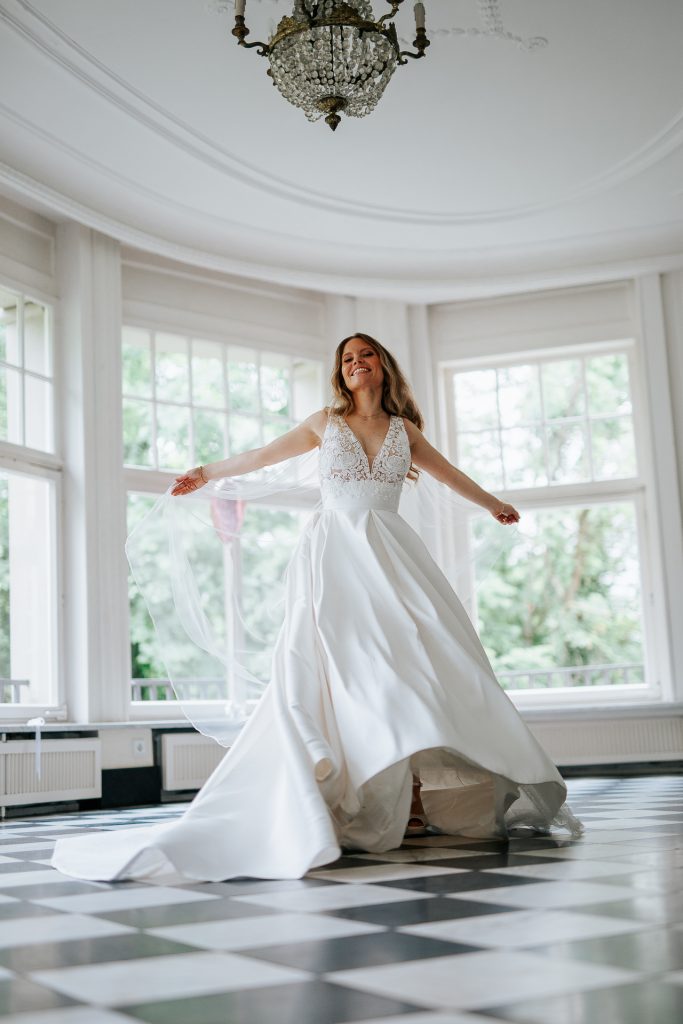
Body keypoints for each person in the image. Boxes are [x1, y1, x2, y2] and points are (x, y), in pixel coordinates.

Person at [52, 333, 582, 883]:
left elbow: (450, 474)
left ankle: (416, 800)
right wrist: (207, 472)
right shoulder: (322, 423)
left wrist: (495, 505)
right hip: (335, 559)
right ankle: (335, 799)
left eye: (365, 355)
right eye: (347, 359)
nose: (355, 364)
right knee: (346, 670)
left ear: (382, 366)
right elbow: (261, 456)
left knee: (419, 667)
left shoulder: (406, 432)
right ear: (341, 372)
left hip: (395, 557)